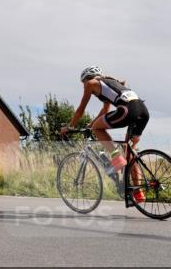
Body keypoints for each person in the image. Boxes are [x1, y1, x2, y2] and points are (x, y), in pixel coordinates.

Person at [60, 65, 150, 204]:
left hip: (127, 110)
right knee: (129, 152)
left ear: (86, 78)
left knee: (98, 129)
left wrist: (69, 126)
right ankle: (138, 192)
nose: (84, 86)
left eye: (83, 83)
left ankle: (116, 158)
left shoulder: (91, 84)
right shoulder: (110, 85)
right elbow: (105, 111)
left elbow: (80, 110)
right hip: (143, 112)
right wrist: (90, 125)